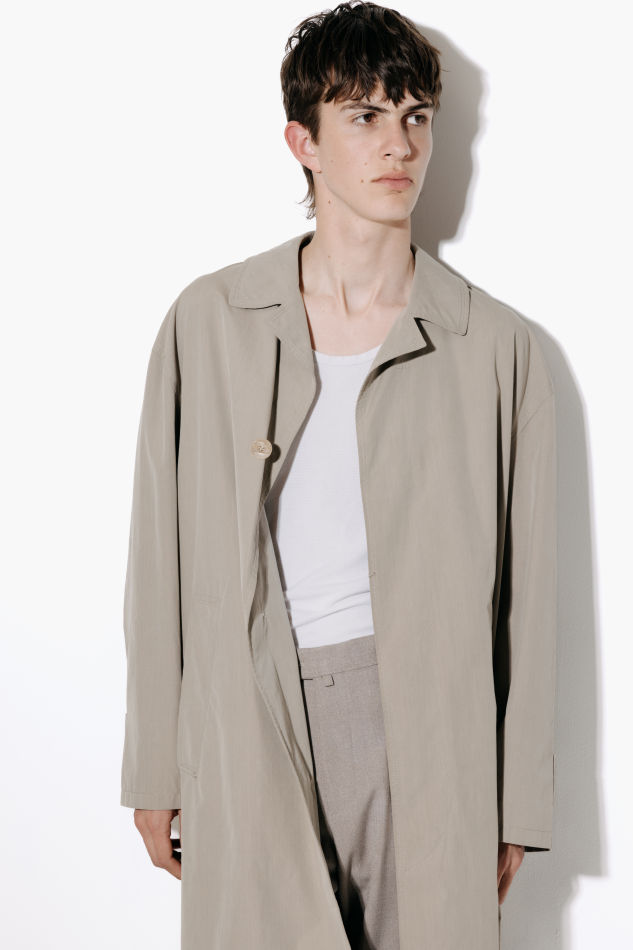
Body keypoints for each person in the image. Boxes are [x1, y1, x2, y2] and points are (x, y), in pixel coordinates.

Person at [120, 4, 557, 949]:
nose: (398, 144)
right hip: (247, 716)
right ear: (303, 143)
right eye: (363, 115)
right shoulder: (208, 321)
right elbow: (158, 561)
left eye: (415, 115)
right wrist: (153, 765)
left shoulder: (496, 347)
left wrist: (518, 798)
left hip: (426, 725)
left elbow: (531, 596)